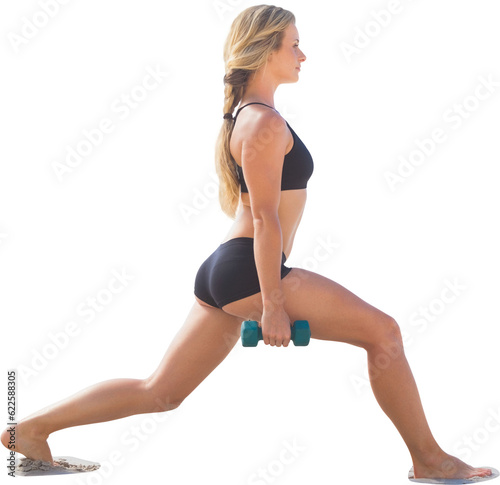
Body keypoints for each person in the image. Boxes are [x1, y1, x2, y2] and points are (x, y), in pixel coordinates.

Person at [2, 5, 497, 482]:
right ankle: (430, 459)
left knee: (162, 391)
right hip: (247, 269)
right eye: (295, 45)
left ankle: (31, 429)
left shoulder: (250, 114)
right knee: (384, 333)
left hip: (227, 269)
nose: (303, 55)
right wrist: (275, 305)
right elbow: (264, 220)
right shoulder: (263, 122)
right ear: (265, 50)